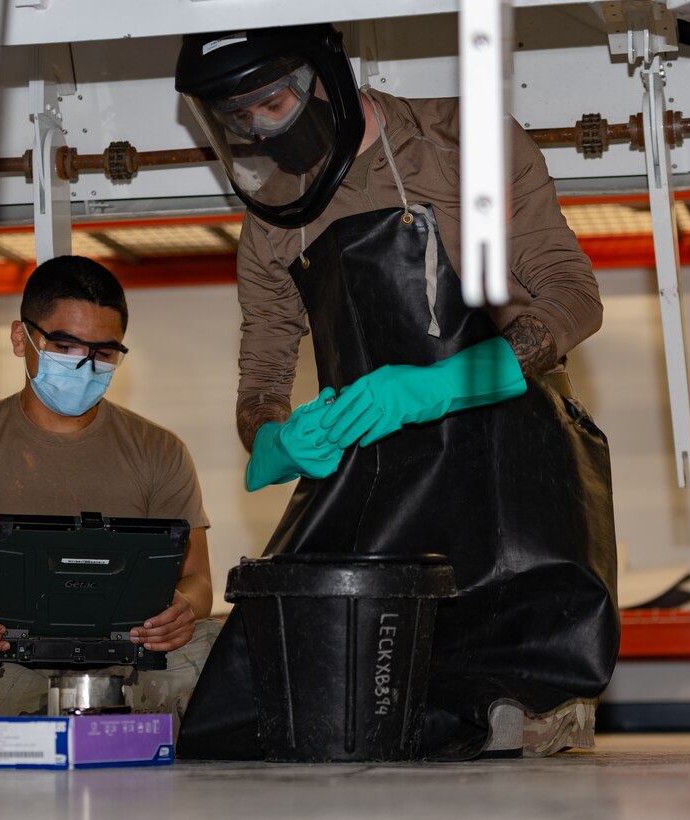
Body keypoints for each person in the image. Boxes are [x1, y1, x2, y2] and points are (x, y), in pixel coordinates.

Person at [173, 24, 619, 761]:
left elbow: (573, 296)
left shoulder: (464, 140)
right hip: (377, 458)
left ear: (326, 77)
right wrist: (276, 436)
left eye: (271, 100)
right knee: (261, 701)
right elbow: (263, 368)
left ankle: (528, 707)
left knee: (507, 674)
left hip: (502, 444)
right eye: (236, 118)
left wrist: (442, 384)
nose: (258, 125)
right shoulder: (273, 215)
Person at [0, 256, 220, 727]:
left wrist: (182, 610)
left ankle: (21, 718)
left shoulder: (160, 451)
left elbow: (198, 583)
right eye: (66, 346)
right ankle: (101, 715)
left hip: (125, 656)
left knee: (227, 640)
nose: (86, 365)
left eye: (105, 352)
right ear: (22, 338)